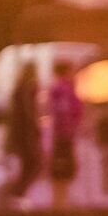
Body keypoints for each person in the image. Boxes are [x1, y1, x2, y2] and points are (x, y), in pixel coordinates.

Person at [46, 59, 84, 206]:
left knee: (62, 167)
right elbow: (64, 111)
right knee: (63, 168)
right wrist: (68, 131)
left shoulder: (59, 88)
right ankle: (60, 201)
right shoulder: (63, 88)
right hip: (64, 134)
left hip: (62, 133)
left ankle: (61, 199)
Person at [6, 63, 42, 204]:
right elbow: (29, 113)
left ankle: (17, 192)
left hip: (19, 132)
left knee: (28, 164)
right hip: (26, 133)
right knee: (33, 163)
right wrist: (35, 127)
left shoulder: (19, 88)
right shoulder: (27, 89)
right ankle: (17, 192)